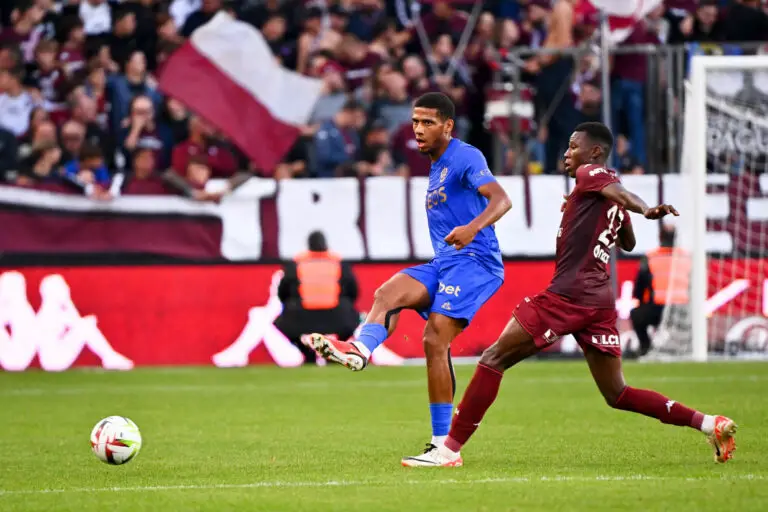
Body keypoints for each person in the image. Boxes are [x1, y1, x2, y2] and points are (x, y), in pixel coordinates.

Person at [402, 122, 737, 467]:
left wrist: (645, 208)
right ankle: (709, 423)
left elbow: (623, 198)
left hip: (568, 296)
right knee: (618, 393)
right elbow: (628, 242)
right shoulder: (603, 192)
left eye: (574, 147)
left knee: (493, 359)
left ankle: (448, 450)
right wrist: (592, 209)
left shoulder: (591, 173)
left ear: (595, 152)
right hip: (599, 303)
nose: (567, 153)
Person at [307, 92, 512, 457]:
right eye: (415, 122)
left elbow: (502, 199)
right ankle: (359, 349)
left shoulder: (465, 156)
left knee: (434, 339)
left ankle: (443, 447)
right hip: (445, 263)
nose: (418, 129)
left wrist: (472, 228)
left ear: (448, 126)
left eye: (428, 122)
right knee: (389, 293)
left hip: (476, 261)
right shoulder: (435, 166)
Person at [275, 231, 360, 364]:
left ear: (308, 245)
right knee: (355, 319)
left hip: (301, 316)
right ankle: (332, 352)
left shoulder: (296, 263)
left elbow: (283, 292)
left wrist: (292, 305)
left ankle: (307, 353)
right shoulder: (338, 262)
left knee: (280, 323)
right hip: (337, 316)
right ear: (326, 244)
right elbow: (353, 291)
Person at [629, 224, 689, 358]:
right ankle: (692, 346)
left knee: (636, 314)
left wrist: (640, 301)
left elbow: (639, 286)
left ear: (660, 237)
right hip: (683, 311)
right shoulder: (686, 257)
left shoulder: (651, 257)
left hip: (657, 309)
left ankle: (645, 347)